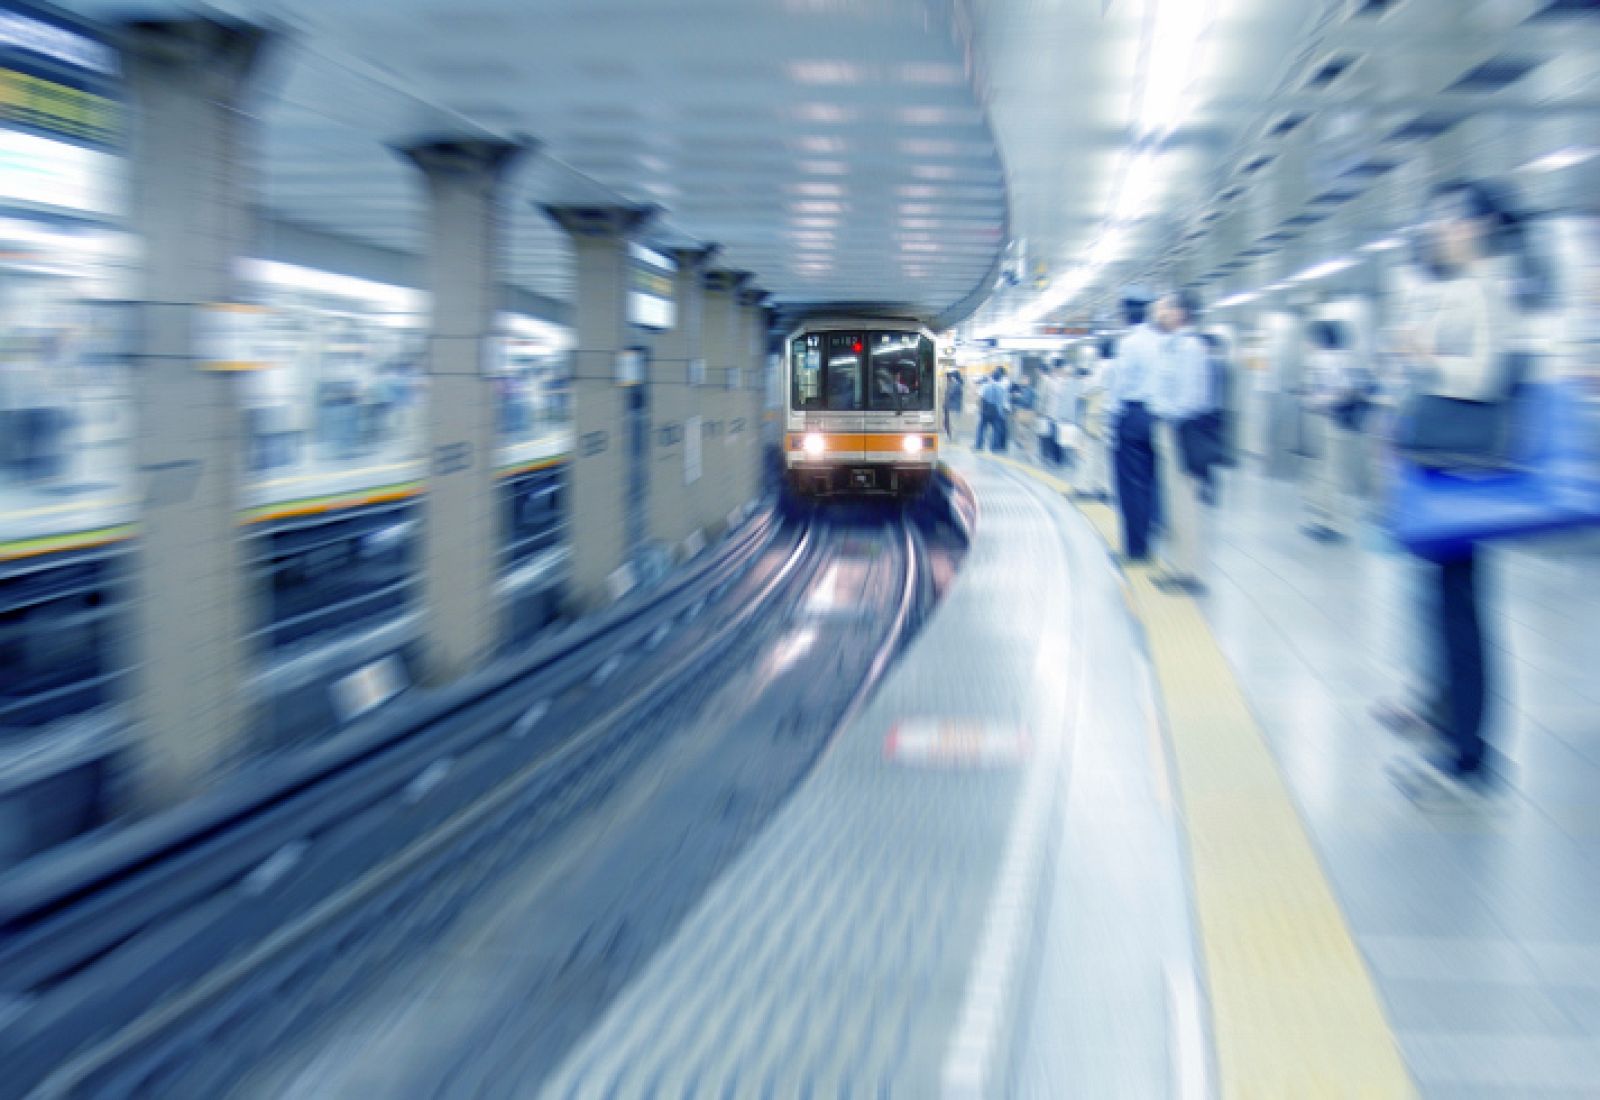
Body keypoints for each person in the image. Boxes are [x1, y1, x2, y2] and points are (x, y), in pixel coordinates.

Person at [1384, 177, 1542, 803]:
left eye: (1447, 220)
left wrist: (1425, 356)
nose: (1438, 230)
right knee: (1445, 606)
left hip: (1466, 473)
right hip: (1449, 472)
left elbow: (1482, 379)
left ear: (1476, 227)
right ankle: (1449, 723)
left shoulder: (1488, 287)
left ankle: (1470, 751)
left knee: (1461, 613)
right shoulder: (1465, 287)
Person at [1151, 291, 1212, 593]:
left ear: (1179, 313)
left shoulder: (1190, 348)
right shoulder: (1173, 346)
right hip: (1169, 429)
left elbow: (1189, 399)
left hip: (1182, 430)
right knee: (1173, 504)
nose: (1159, 313)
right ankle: (1176, 566)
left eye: (1163, 308)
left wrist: (1164, 413)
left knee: (1184, 503)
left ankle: (1189, 573)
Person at [1299, 319, 1369, 542]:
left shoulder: (1322, 359)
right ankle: (1328, 521)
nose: (1307, 343)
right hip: (1346, 423)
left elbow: (1339, 390)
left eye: (1310, 338)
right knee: (1334, 472)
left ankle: (1332, 525)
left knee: (1330, 473)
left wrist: (1314, 401)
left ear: (1320, 339)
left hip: (1330, 420)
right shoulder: (1347, 357)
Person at [1109, 295, 1161, 561]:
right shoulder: (1159, 341)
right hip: (1156, 417)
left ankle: (1134, 549)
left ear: (1126, 314)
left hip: (1132, 416)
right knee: (1149, 484)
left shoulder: (1129, 343)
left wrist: (1113, 420)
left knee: (1129, 485)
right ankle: (1146, 543)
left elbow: (1121, 385)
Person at [975, 366, 1009, 452]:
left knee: (981, 428)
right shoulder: (1002, 388)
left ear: (991, 376)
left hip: (985, 411)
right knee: (996, 430)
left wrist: (980, 408)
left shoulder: (985, 386)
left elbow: (980, 397)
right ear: (1000, 378)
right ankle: (994, 447)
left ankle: (979, 445)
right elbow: (1004, 402)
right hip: (997, 412)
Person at [942, 368, 964, 441]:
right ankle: (952, 438)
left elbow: (950, 394)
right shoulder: (957, 384)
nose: (950, 377)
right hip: (953, 407)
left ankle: (954, 439)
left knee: (953, 424)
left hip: (953, 407)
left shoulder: (956, 385)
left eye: (951, 376)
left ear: (954, 376)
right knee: (952, 423)